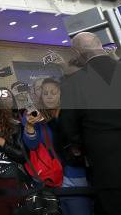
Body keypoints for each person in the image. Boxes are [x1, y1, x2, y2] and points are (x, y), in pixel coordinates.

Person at [59, 32, 121, 215]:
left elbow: (68, 127)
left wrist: (80, 145)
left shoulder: (74, 83)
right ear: (100, 44)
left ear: (77, 53)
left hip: (106, 164)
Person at [23, 77, 92, 215]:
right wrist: (30, 125)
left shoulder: (71, 113)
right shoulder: (34, 116)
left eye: (53, 92)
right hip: (51, 178)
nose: (49, 96)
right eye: (45, 93)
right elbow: (32, 145)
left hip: (75, 175)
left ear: (61, 93)